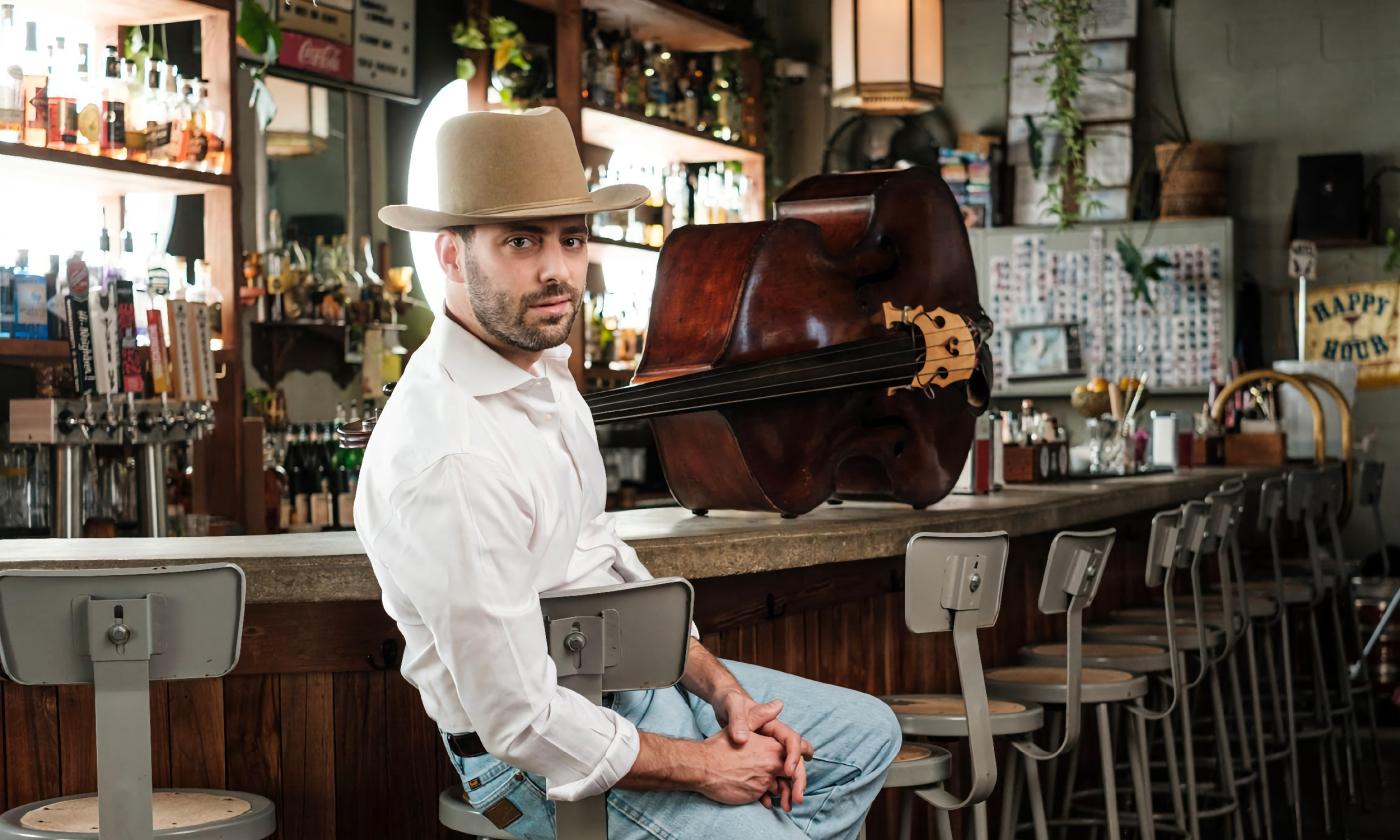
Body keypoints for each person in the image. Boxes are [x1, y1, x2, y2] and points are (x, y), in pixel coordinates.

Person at [357, 106, 900, 839]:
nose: (557, 270)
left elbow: (606, 566)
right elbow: (522, 720)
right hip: (527, 764)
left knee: (869, 735)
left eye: (571, 238)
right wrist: (707, 766)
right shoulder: (449, 454)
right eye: (521, 241)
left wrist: (721, 691)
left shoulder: (546, 374)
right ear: (451, 257)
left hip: (630, 690)